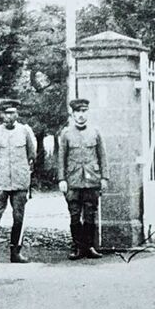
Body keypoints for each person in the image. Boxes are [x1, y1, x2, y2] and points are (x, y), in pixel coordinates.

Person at [0, 98, 37, 266]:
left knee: (18, 217)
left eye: (11, 113)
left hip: (19, 182)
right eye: (5, 113)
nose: (8, 117)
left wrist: (25, 171)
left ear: (17, 114)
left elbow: (32, 155)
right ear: (0, 114)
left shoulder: (25, 131)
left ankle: (15, 253)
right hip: (0, 182)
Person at [57, 98, 109, 260]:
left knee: (90, 214)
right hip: (73, 181)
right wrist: (61, 179)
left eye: (84, 111)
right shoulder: (66, 133)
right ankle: (77, 247)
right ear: (72, 114)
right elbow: (61, 159)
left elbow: (103, 156)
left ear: (88, 112)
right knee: (74, 214)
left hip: (92, 179)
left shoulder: (95, 132)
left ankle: (90, 247)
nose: (81, 115)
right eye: (78, 112)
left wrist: (104, 178)